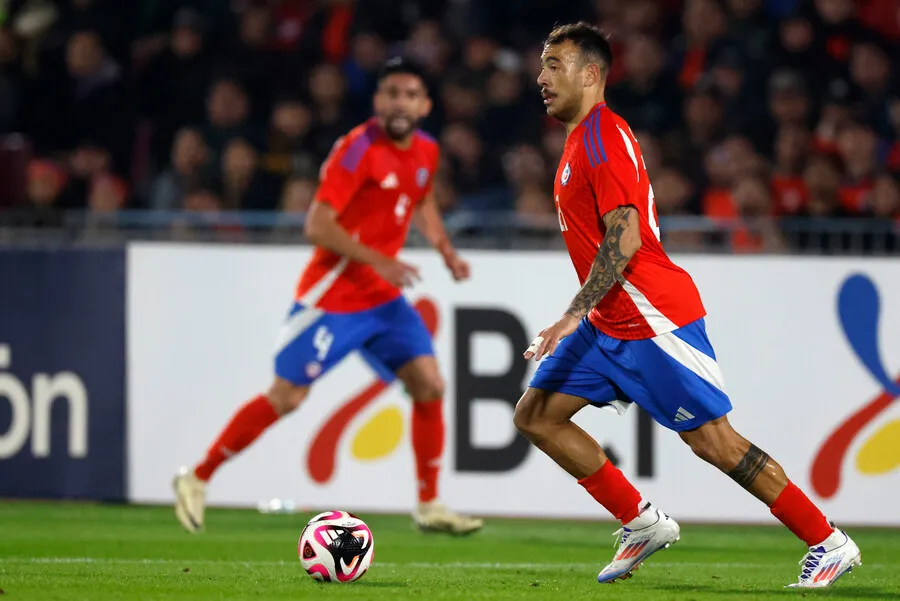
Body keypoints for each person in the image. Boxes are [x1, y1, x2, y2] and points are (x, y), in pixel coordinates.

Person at [513, 22, 861, 588]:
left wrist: (573, 311)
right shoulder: (580, 140)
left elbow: (624, 237)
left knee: (714, 443)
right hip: (610, 322)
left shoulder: (604, 136)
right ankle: (641, 522)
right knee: (536, 415)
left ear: (592, 74)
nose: (541, 77)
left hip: (652, 316)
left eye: (555, 65)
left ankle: (826, 540)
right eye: (543, 66)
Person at [173, 58, 483, 536]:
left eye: (409, 95)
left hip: (382, 299)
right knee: (287, 396)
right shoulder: (356, 150)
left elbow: (421, 201)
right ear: (378, 101)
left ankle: (429, 504)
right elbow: (317, 224)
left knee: (430, 385)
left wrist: (445, 250)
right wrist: (378, 258)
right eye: (391, 93)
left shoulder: (426, 150)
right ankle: (197, 477)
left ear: (424, 105)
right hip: (333, 296)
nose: (399, 103)